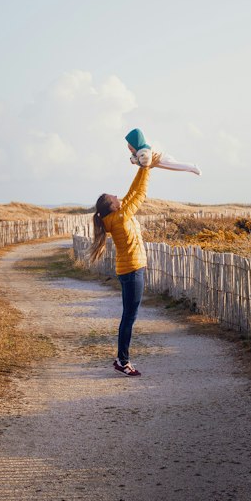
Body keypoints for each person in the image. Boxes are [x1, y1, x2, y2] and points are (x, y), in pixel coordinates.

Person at [90, 153, 160, 376]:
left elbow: (131, 192)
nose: (119, 196)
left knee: (128, 315)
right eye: (115, 197)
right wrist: (147, 168)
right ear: (112, 206)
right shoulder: (120, 218)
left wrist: (142, 167)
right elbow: (140, 194)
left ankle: (122, 358)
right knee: (129, 317)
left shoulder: (115, 216)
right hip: (132, 271)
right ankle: (123, 361)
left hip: (129, 270)